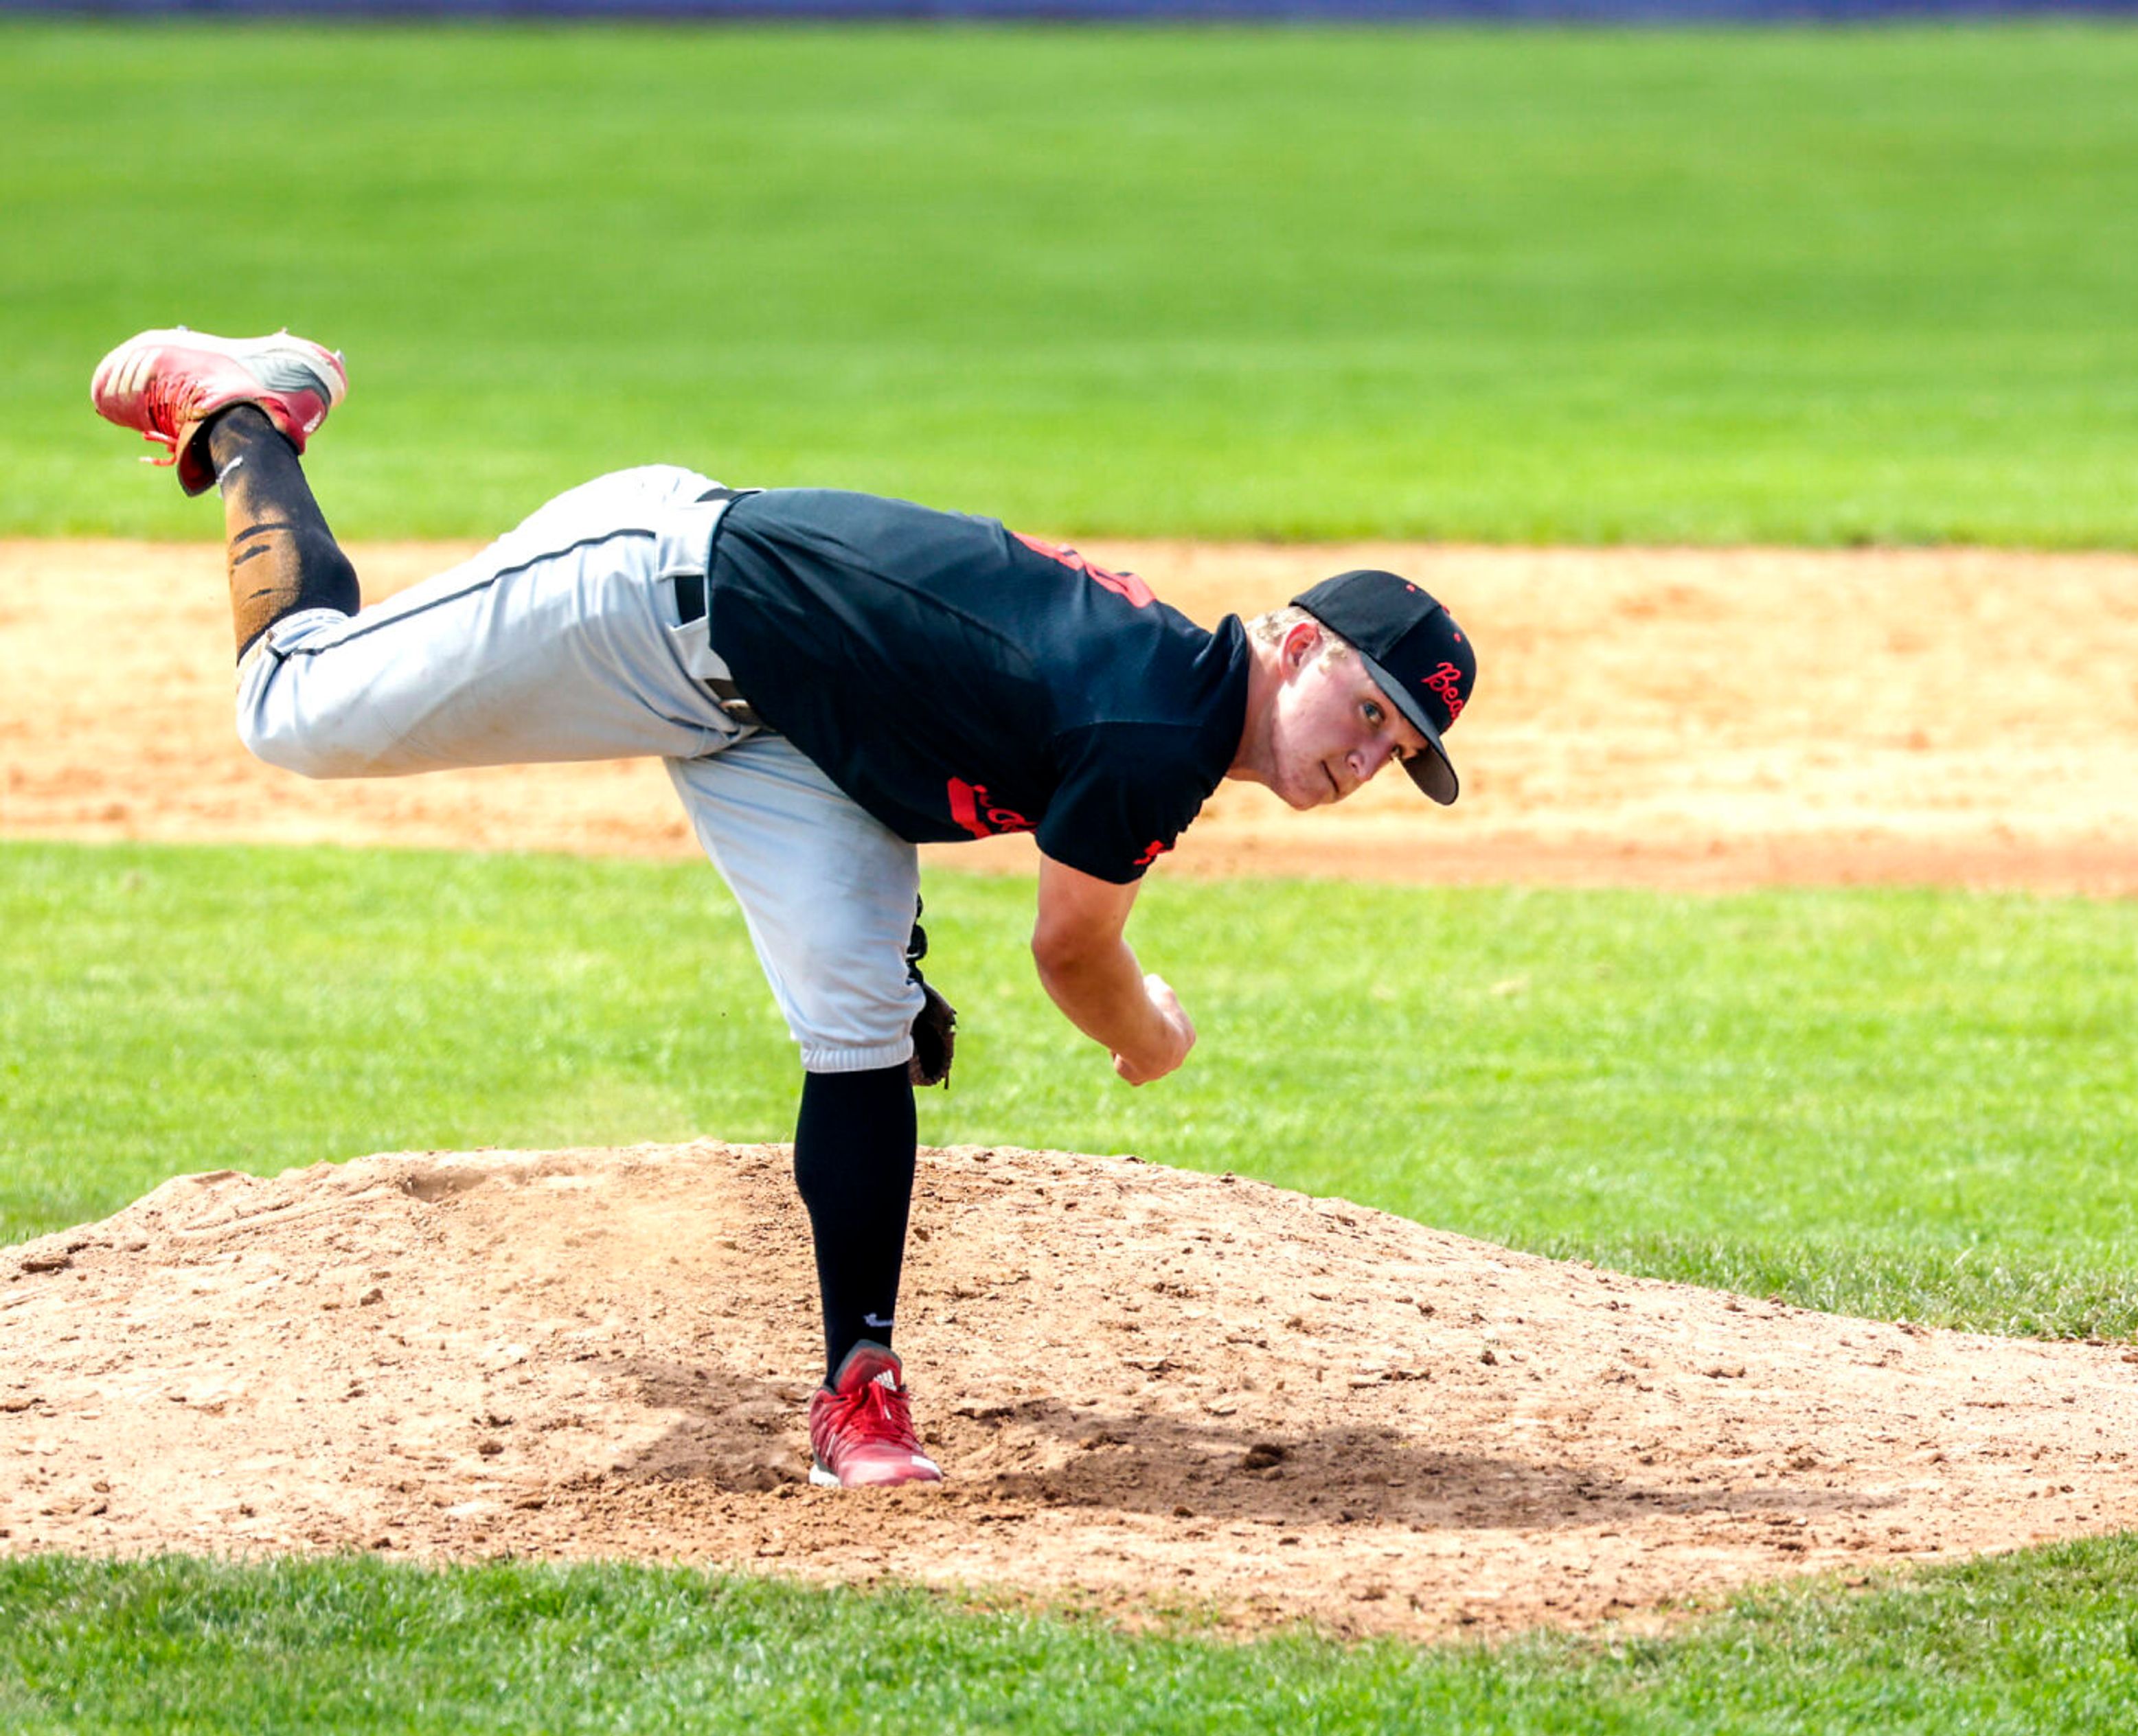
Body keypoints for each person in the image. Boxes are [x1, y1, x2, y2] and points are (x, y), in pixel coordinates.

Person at [89, 326, 1479, 1489]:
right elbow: (1070, 951)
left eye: (1395, 753)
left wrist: (897, 951)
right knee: (298, 712)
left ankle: (859, 1391)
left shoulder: (1172, 707)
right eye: (1367, 708)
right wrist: (1149, 1034)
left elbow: (921, 701)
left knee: (863, 1018)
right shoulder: (1159, 723)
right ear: (1294, 641)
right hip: (648, 597)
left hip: (787, 727)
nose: (1366, 757)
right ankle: (249, 412)